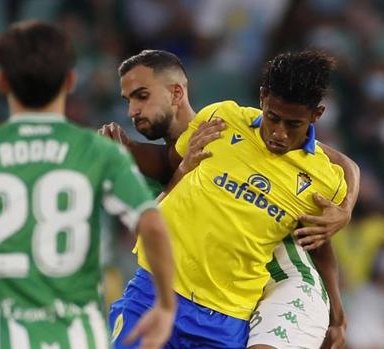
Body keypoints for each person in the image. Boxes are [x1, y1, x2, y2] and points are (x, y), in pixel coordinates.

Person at [0, 21, 176, 349]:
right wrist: (165, 306)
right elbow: (152, 225)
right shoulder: (99, 151)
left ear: (2, 82)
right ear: (70, 81)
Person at [102, 50, 359, 348]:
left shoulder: (323, 178)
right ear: (262, 98)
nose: (278, 133)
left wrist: (337, 316)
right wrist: (127, 150)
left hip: (224, 318)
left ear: (317, 115)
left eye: (293, 125)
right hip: (153, 293)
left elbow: (320, 248)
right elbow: (169, 161)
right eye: (273, 118)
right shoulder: (222, 118)